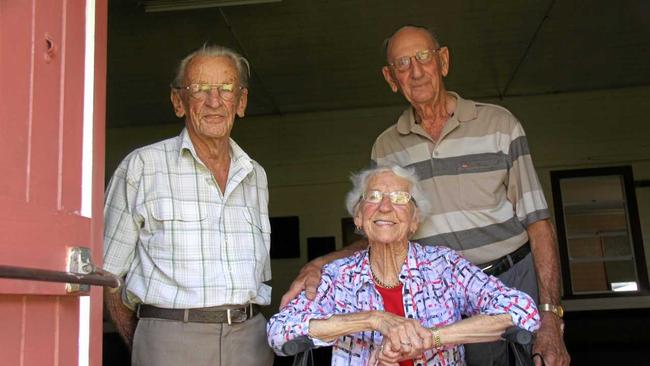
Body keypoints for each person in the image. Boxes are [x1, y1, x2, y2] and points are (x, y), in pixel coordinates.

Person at [281, 25, 569, 366]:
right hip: (439, 292)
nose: (416, 72)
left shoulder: (499, 125)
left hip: (512, 277)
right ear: (391, 78)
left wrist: (550, 315)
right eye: (403, 64)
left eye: (423, 57)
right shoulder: (387, 146)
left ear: (443, 61)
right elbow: (383, 227)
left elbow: (538, 223)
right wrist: (321, 264)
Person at [103, 45, 273, 366]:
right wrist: (145, 343)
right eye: (199, 89)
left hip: (250, 339)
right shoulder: (142, 166)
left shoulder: (255, 174)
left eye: (226, 89)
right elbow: (108, 275)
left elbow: (259, 275)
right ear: (178, 102)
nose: (214, 101)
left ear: (241, 102)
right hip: (171, 341)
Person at [268, 165, 540, 365]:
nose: (385, 207)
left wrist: (432, 338)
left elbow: (523, 312)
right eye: (373, 197)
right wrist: (374, 319)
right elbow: (279, 332)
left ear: (414, 220)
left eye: (400, 199)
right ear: (359, 218)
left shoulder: (444, 266)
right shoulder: (338, 277)